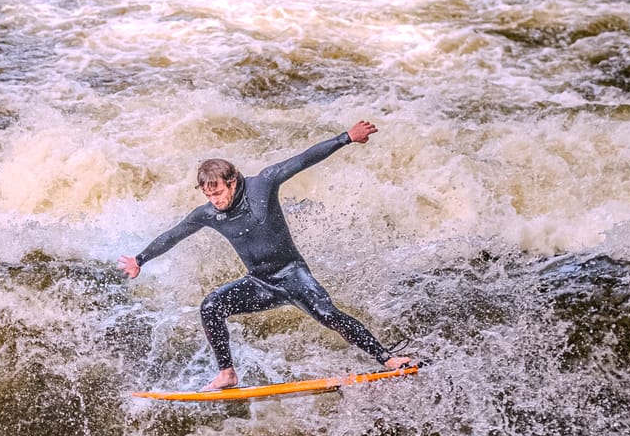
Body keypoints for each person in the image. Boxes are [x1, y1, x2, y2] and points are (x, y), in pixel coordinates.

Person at [119, 122, 416, 391]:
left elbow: (303, 159)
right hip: (260, 283)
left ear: (232, 181)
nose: (215, 201)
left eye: (219, 192)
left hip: (292, 274)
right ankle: (227, 374)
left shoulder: (263, 183)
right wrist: (140, 259)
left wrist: (346, 138)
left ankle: (387, 358)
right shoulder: (209, 214)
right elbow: (174, 234)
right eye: (208, 196)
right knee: (211, 305)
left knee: (329, 315)